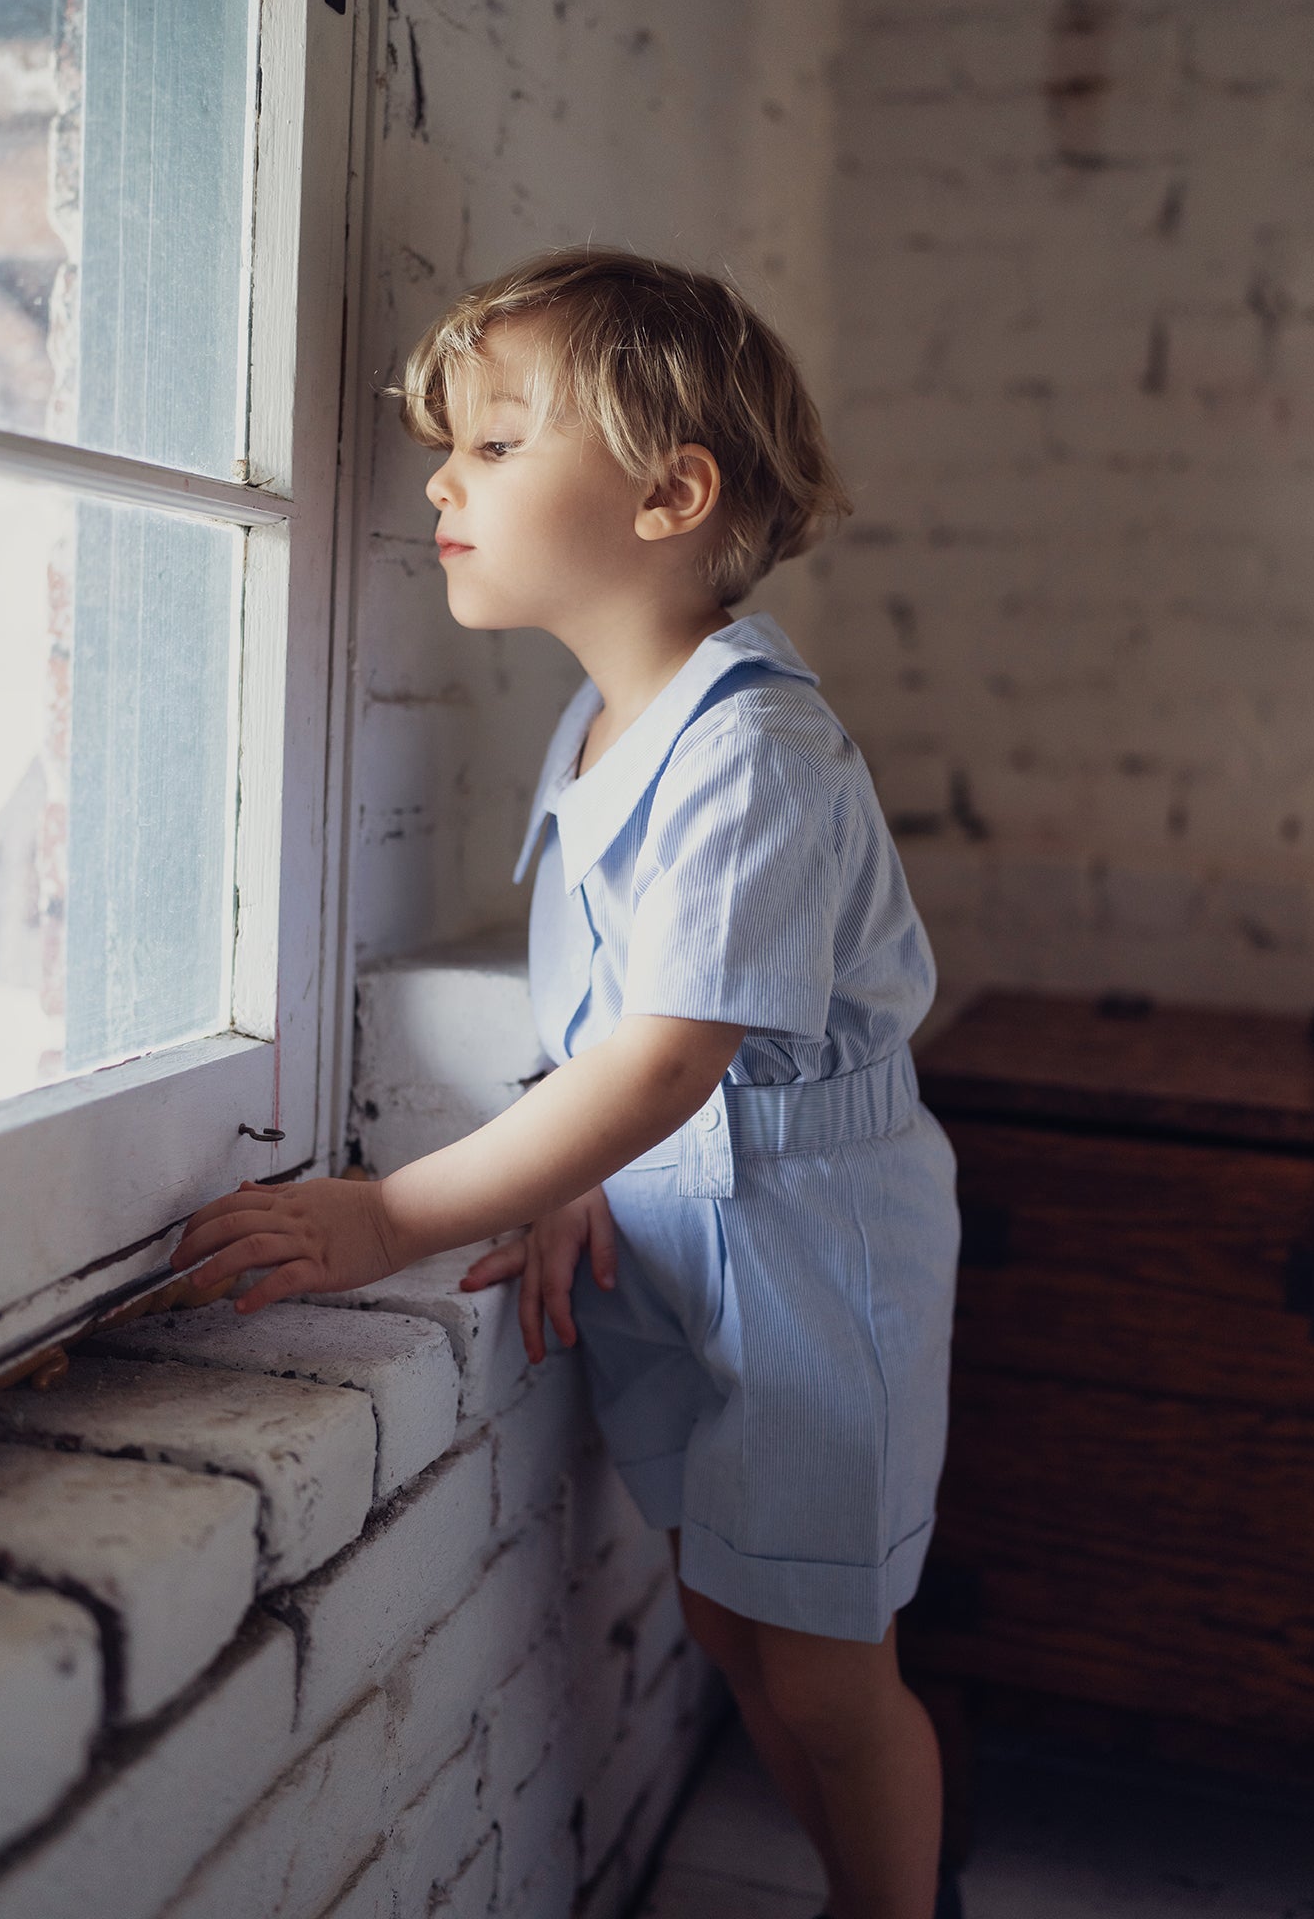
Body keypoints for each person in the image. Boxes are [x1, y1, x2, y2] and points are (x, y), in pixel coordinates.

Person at [172, 246, 963, 1919]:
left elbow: (674, 1056)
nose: (445, 480)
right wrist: (575, 1175)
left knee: (831, 1669)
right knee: (726, 1619)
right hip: (682, 1220)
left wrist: (395, 1212)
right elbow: (624, 1021)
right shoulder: (605, 724)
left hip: (818, 1246)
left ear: (670, 493)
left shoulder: (751, 746)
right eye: (446, 445)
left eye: (498, 443)